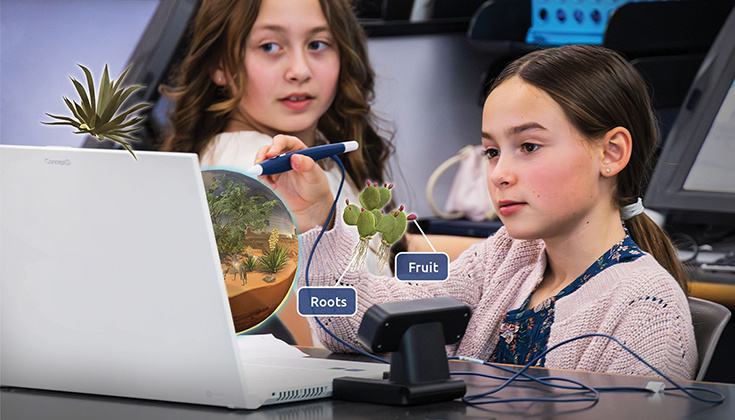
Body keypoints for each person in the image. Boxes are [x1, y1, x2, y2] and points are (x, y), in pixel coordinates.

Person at [257, 44, 698, 380]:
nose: (500, 174)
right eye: (491, 150)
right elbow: (352, 328)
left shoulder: (646, 312)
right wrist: (318, 216)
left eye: (528, 146)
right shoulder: (504, 258)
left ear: (612, 152)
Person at [158, 0, 395, 345]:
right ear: (220, 65)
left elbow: (380, 253)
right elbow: (306, 348)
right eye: (270, 47)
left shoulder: (304, 156)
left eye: (317, 44)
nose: (299, 70)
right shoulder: (250, 175)